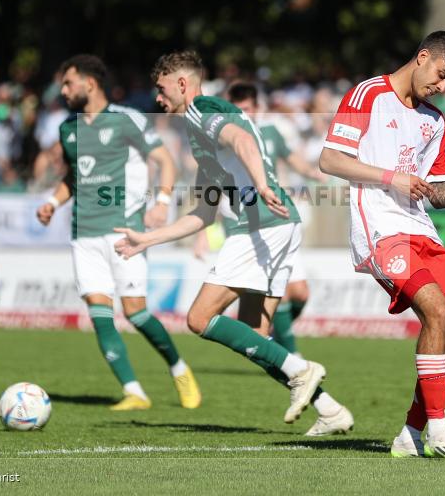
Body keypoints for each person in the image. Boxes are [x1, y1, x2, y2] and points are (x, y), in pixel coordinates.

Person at [114, 51, 353, 436]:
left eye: (160, 89)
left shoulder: (201, 108)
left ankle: (300, 369)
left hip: (262, 224)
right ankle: (329, 409)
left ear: (181, 83)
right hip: (279, 223)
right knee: (255, 337)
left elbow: (242, 139)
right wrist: (149, 239)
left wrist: (259, 185)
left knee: (199, 318)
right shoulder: (199, 137)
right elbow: (204, 214)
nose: (157, 99)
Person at [319, 31, 445, 458]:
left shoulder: (434, 122)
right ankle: (440, 430)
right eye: (441, 76)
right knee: (436, 311)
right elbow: (330, 159)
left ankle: (411, 433)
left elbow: (438, 195)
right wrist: (393, 178)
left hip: (421, 230)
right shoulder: (369, 94)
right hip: (381, 229)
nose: (443, 88)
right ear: (423, 57)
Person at [36, 54, 201, 411]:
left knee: (136, 312)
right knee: (99, 312)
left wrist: (161, 202)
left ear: (89, 84)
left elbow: (165, 161)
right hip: (83, 234)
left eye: (68, 83)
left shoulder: (127, 120)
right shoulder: (68, 129)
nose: (63, 91)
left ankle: (179, 368)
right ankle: (134, 391)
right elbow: (73, 177)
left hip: (124, 230)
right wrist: (53, 201)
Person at [226, 82, 323, 355]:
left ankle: (269, 338)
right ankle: (291, 356)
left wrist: (313, 173)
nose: (243, 115)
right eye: (237, 110)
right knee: (276, 291)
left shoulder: (270, 134)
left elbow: (292, 159)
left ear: (257, 108)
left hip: (281, 214)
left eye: (247, 109)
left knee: (301, 293)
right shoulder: (229, 138)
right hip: (255, 223)